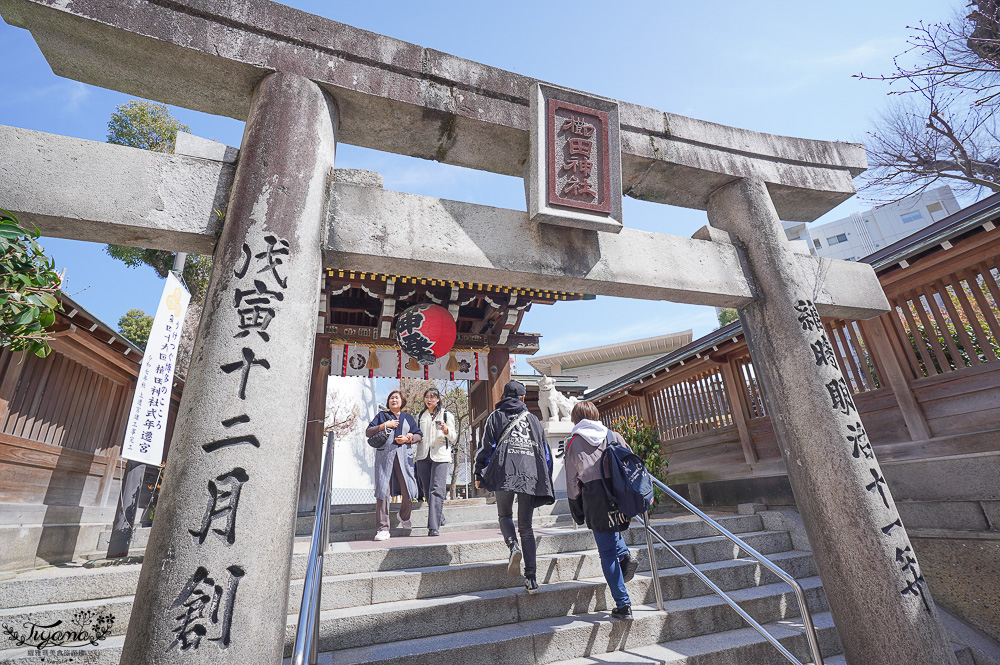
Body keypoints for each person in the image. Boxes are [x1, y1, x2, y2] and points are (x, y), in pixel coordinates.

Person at [474, 380, 554, 594]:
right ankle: (532, 579)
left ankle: (513, 547)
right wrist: (545, 476)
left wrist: (478, 470)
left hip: (503, 471)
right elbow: (544, 451)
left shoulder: (495, 416)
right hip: (529, 473)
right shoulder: (533, 419)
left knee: (505, 516)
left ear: (504, 396)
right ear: (522, 398)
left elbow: (487, 446)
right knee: (526, 527)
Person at [564, 401, 639, 620]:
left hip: (595, 497)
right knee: (613, 530)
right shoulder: (613, 435)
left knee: (606, 553)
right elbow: (631, 461)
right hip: (618, 494)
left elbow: (571, 480)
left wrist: (575, 507)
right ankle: (624, 554)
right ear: (596, 415)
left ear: (575, 419)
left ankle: (623, 605)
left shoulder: (573, 442)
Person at [366, 390, 422, 542]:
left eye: (396, 398)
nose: (393, 400)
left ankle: (403, 515)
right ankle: (382, 528)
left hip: (404, 459)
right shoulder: (381, 416)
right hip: (385, 458)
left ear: (402, 401)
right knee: (383, 492)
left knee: (410, 490)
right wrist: (384, 425)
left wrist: (408, 438)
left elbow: (418, 435)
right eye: (391, 398)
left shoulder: (408, 418)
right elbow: (368, 432)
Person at [415, 387, 457, 537]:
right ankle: (440, 516)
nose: (429, 399)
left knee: (437, 489)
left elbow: (454, 437)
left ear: (438, 399)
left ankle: (433, 527)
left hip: (440, 456)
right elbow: (417, 434)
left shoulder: (446, 415)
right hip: (423, 456)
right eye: (427, 397)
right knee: (427, 490)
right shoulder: (421, 415)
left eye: (433, 397)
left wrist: (446, 430)